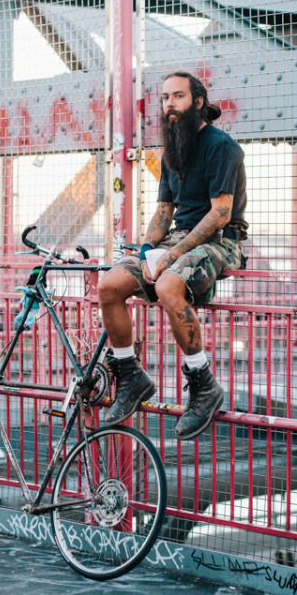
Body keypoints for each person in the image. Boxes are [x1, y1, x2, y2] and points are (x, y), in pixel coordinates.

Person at [98, 70, 248, 439]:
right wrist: (148, 249)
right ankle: (131, 377)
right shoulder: (172, 151)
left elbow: (220, 213)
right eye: (165, 98)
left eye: (178, 96)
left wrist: (170, 257)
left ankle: (203, 383)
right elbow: (164, 212)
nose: (169, 105)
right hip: (178, 240)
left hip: (220, 239)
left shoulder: (221, 147)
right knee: (109, 286)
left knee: (167, 286)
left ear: (198, 102)